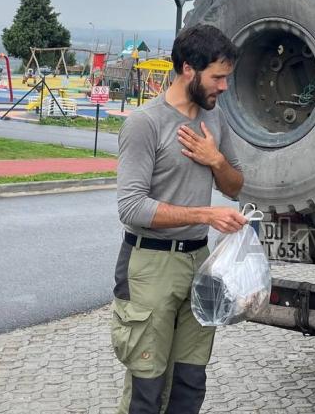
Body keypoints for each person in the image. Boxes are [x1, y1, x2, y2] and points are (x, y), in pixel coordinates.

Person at [112, 24, 247, 414]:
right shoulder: (145, 123)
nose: (223, 87)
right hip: (149, 265)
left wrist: (215, 160)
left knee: (190, 383)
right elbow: (132, 207)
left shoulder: (214, 120)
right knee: (147, 390)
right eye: (218, 77)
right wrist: (205, 213)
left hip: (197, 261)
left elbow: (236, 186)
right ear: (189, 68)